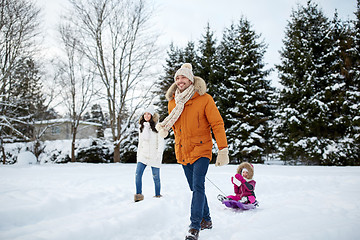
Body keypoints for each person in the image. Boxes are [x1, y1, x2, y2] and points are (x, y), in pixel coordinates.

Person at [156, 63, 229, 240]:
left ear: (191, 79)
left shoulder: (204, 99)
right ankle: (207, 220)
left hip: (202, 149)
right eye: (177, 78)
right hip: (183, 151)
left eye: (183, 77)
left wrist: (222, 149)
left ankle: (194, 226)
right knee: (195, 187)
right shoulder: (173, 102)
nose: (180, 81)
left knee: (198, 186)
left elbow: (217, 124)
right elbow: (177, 127)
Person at [134, 106, 164, 202]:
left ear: (152, 115)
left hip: (154, 156)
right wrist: (138, 156)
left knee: (156, 178)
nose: (146, 115)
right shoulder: (141, 127)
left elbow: (161, 142)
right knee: (138, 174)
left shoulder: (158, 127)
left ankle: (157, 196)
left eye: (148, 114)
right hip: (143, 155)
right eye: (145, 114)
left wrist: (158, 155)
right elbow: (140, 142)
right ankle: (138, 195)